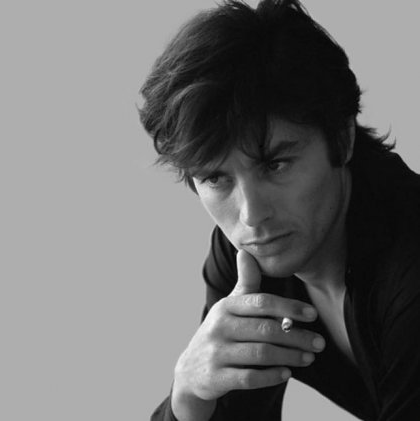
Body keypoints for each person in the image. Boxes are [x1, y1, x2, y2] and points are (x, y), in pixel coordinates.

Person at [138, 0, 420, 420]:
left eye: (275, 165)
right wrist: (189, 397)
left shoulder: (411, 262)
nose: (251, 216)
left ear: (342, 139)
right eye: (215, 178)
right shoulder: (247, 259)